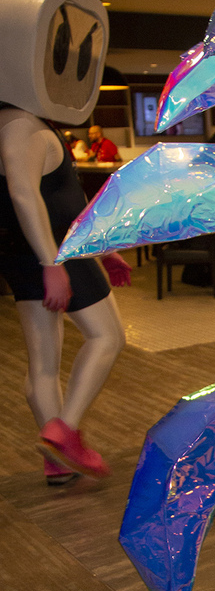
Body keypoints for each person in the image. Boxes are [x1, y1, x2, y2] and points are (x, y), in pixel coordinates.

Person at [0, 106, 128, 482]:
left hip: (31, 252)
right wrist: (51, 263)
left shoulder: (19, 123)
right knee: (107, 337)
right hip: (55, 251)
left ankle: (57, 459)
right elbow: (23, 194)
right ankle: (64, 433)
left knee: (43, 363)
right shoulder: (20, 125)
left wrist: (103, 248)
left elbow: (62, 195)